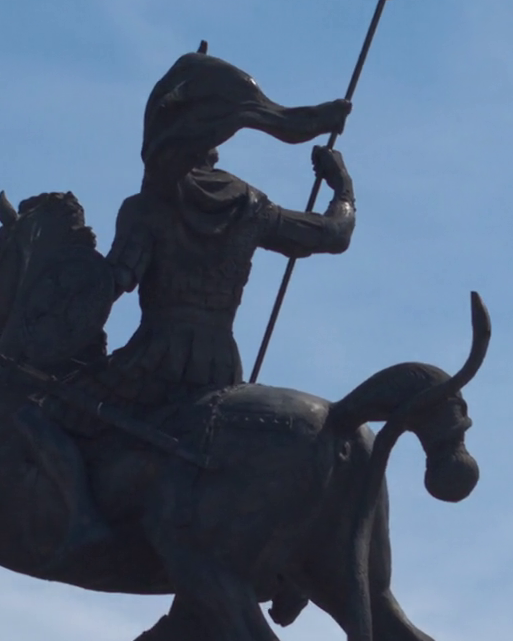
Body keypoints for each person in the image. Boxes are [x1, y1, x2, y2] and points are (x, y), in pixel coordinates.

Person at [100, 52, 359, 409]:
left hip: (152, 365)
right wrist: (342, 186)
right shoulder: (250, 206)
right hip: (220, 368)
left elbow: (108, 287)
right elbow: (334, 233)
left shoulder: (146, 208)